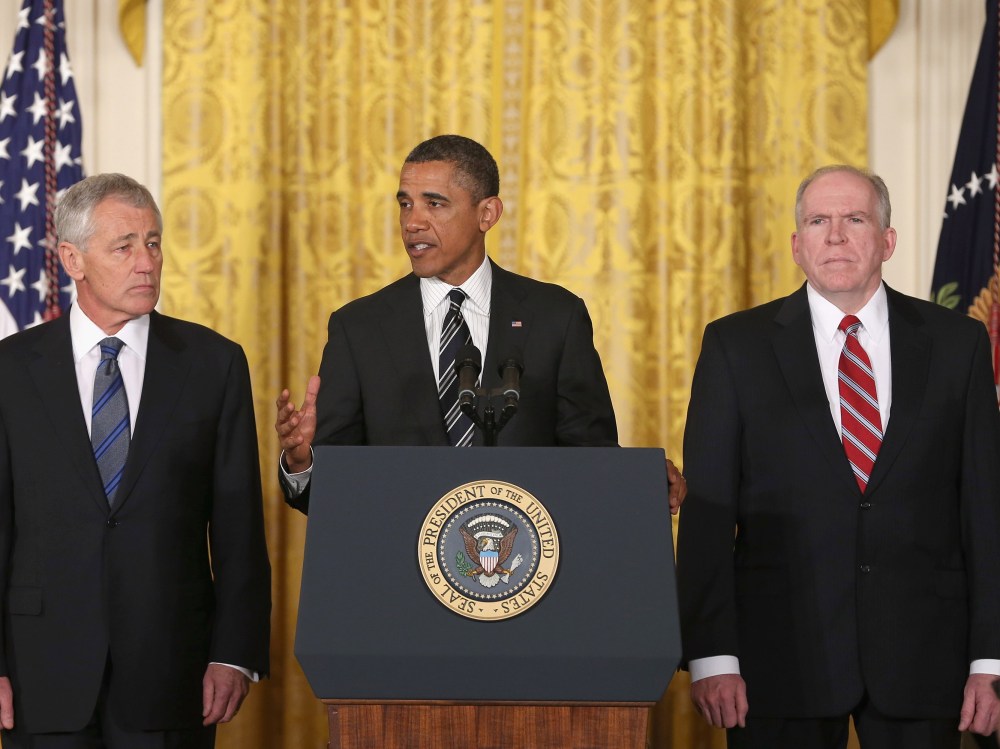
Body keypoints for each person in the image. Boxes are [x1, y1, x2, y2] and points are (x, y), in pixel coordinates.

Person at [676, 165, 1000, 748]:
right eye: (817, 221)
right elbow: (708, 513)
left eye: (854, 219)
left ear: (887, 240)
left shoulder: (958, 345)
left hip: (926, 660)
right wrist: (711, 654)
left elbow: (986, 511)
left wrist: (990, 661)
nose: (835, 235)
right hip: (776, 660)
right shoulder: (735, 346)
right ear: (797, 244)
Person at [0, 174, 271, 748]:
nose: (146, 262)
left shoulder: (213, 364)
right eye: (123, 246)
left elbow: (239, 526)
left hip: (172, 672)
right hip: (39, 673)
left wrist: (234, 654)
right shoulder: (10, 370)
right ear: (72, 259)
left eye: (153, 242)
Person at [275, 134, 685, 512]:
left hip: (525, 571)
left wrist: (642, 481)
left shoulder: (556, 317)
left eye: (434, 203)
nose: (412, 221)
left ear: (487, 213)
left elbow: (590, 458)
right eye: (405, 203)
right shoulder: (359, 327)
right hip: (400, 573)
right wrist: (302, 462)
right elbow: (328, 493)